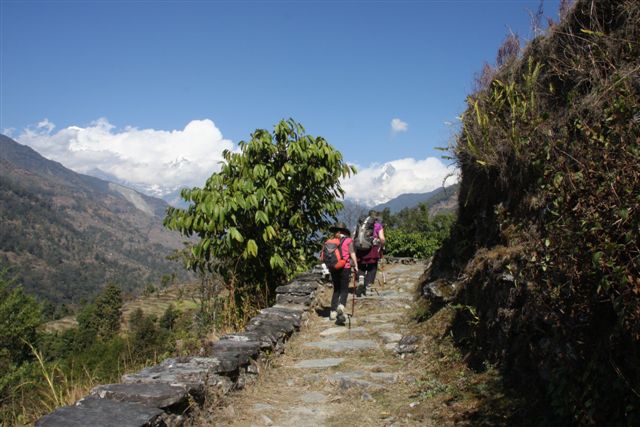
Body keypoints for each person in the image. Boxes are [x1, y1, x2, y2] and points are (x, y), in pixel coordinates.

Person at [327, 222, 358, 325]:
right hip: (345, 267)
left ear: (336, 231)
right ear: (344, 231)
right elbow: (352, 253)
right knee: (344, 289)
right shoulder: (349, 240)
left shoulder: (331, 241)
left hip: (334, 267)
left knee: (336, 289)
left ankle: (332, 312)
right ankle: (341, 306)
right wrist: (356, 265)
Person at [356, 212, 385, 297]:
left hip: (360, 247)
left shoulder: (361, 224)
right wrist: (382, 245)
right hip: (372, 247)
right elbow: (382, 238)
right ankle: (368, 287)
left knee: (361, 264)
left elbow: (355, 236)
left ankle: (361, 278)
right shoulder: (378, 225)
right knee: (372, 267)